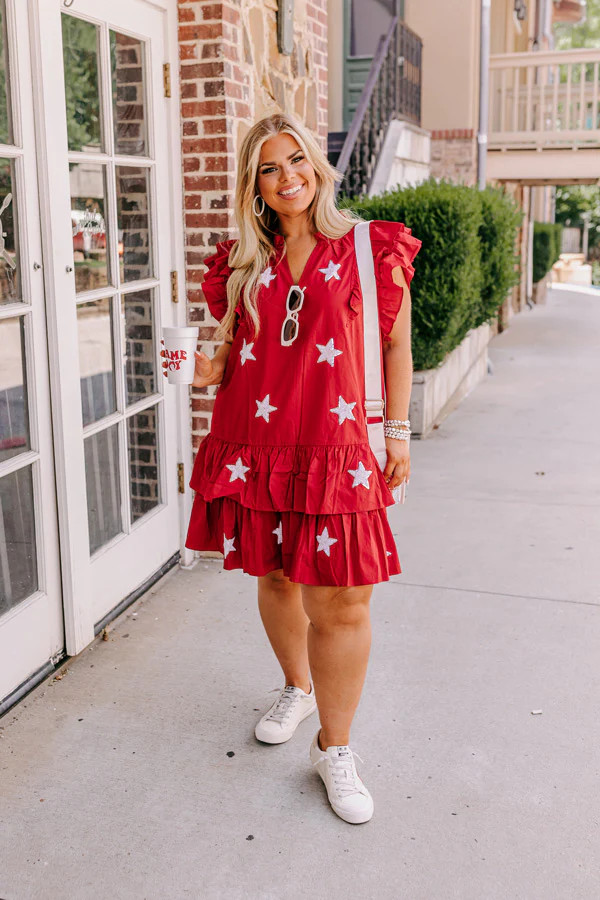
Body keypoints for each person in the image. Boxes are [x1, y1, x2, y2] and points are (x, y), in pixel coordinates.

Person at [163, 112, 421, 825]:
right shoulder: (242, 263)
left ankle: (335, 748)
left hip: (338, 448)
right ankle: (297, 686)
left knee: (343, 601)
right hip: (259, 443)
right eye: (269, 168)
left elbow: (397, 347)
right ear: (254, 185)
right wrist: (200, 370)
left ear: (318, 164)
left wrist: (397, 434)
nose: (288, 178)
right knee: (276, 575)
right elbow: (227, 358)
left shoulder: (372, 247)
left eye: (297, 160)